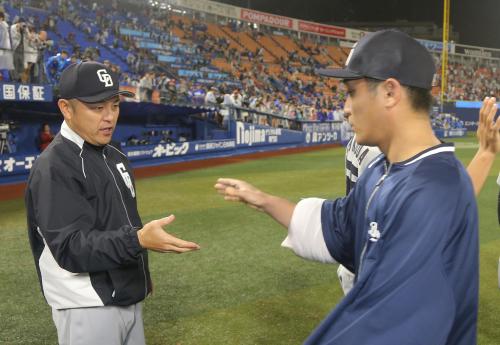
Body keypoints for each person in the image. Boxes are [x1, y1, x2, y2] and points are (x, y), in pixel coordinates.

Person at [215, 30, 478, 344]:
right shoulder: (381, 170)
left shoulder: (434, 189)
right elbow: (339, 226)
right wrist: (263, 200)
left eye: (352, 92)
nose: (345, 107)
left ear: (390, 92)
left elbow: (389, 325)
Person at [25, 61, 200, 345]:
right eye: (97, 108)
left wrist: (140, 274)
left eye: (115, 105)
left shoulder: (113, 154)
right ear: (66, 109)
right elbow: (71, 248)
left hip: (125, 295)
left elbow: (121, 221)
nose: (109, 117)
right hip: (86, 304)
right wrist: (138, 240)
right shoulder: (54, 166)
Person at [337, 96, 499, 295]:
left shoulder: (363, 136)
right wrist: (486, 151)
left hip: (359, 258)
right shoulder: (389, 147)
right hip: (381, 272)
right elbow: (451, 205)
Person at [0, 12, 14, 79]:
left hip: (3, 51)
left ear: (1, 18)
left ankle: (5, 85)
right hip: (5, 51)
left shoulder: (3, 25)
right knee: (4, 69)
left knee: (4, 70)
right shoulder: (4, 26)